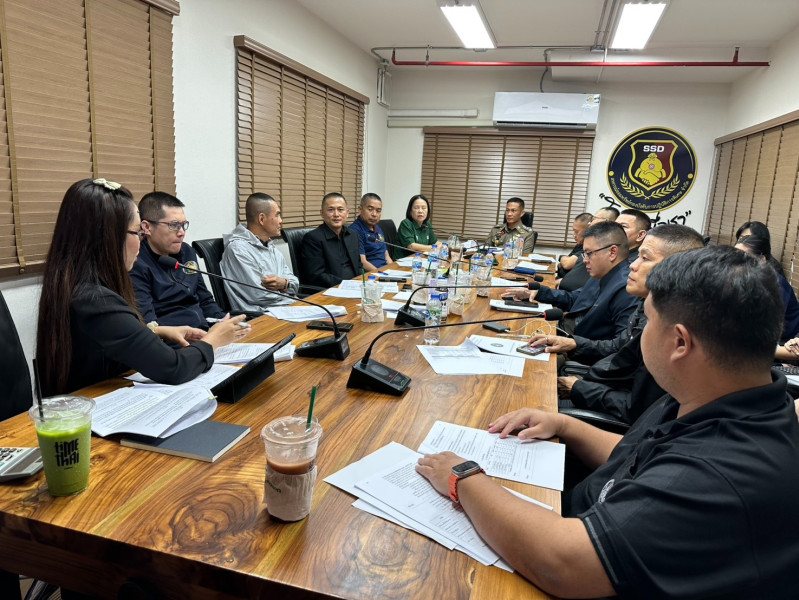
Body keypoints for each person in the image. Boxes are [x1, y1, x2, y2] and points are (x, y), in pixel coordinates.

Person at [417, 245, 799, 598]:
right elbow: (637, 455)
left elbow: (561, 562)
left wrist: (463, 477)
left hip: (570, 553)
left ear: (680, 343)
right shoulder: (724, 394)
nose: (641, 334)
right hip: (577, 515)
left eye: (648, 321)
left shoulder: (718, 473)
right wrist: (565, 425)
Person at [36, 179, 245, 396]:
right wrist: (213, 341)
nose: (140, 241)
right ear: (109, 237)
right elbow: (174, 368)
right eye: (137, 233)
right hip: (98, 404)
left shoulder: (76, 285)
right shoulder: (94, 300)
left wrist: (157, 331)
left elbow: (117, 334)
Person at [549, 225, 705, 422]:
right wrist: (574, 344)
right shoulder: (646, 305)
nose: (632, 265)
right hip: (600, 387)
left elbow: (636, 409)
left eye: (645, 258)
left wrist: (578, 389)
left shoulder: (669, 330)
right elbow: (619, 349)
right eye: (637, 256)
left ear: (677, 269)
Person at [504, 221, 638, 341]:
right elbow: (576, 299)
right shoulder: (603, 273)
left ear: (612, 252)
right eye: (584, 254)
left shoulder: (626, 288)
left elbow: (620, 346)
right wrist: (538, 292)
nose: (585, 260)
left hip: (576, 349)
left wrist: (574, 345)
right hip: (566, 334)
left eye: (589, 253)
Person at [130, 191, 226, 330]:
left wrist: (222, 321)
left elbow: (205, 299)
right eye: (173, 225)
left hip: (205, 330)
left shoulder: (187, 252)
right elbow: (148, 322)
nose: (181, 232)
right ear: (147, 227)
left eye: (184, 225)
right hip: (173, 338)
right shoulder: (136, 262)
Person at [220, 192, 299, 311]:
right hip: (262, 315)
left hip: (286, 307)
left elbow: (294, 283)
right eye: (277, 215)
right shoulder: (238, 249)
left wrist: (284, 284)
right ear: (262, 219)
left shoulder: (271, 247)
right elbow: (259, 295)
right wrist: (288, 290)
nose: (281, 221)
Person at [735, 235, 799, 343]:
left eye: (744, 257)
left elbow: (769, 332)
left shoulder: (776, 285)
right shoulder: (742, 277)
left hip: (788, 342)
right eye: (734, 255)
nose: (735, 261)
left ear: (762, 259)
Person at [301, 192, 360, 288]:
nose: (336, 214)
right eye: (331, 210)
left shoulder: (353, 235)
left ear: (347, 213)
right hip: (331, 289)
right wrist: (346, 285)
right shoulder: (313, 238)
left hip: (356, 286)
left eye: (340, 210)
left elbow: (358, 266)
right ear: (322, 213)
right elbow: (316, 276)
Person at [349, 193, 392, 271]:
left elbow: (386, 255)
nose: (374, 214)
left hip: (385, 271)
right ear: (360, 210)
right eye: (370, 209)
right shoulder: (354, 231)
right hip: (372, 274)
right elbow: (363, 262)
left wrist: (393, 270)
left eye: (378, 211)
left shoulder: (378, 228)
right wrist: (382, 274)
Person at [557, 212, 592, 277]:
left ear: (587, 231)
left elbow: (567, 264)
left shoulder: (588, 248)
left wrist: (561, 257)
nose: (574, 235)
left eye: (576, 231)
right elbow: (562, 265)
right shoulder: (580, 244)